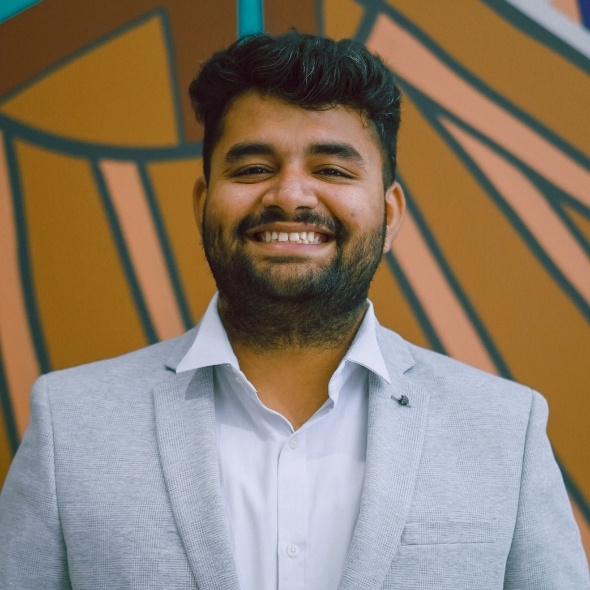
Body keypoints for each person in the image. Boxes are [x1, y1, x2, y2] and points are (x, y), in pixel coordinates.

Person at [0, 32, 588, 590]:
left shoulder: (505, 431)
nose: (290, 195)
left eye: (332, 169)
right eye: (254, 168)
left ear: (391, 215)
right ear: (203, 203)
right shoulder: (69, 425)